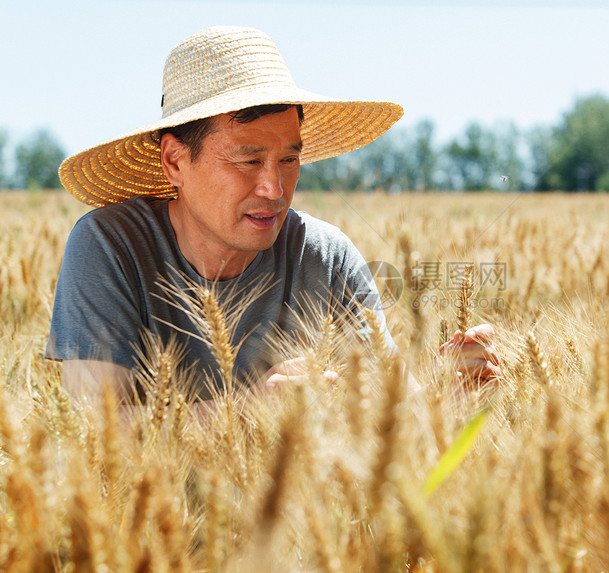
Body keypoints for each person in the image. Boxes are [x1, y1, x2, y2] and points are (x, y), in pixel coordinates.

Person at [46, 26, 500, 404]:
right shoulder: (108, 246)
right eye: (248, 160)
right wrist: (248, 412)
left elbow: (392, 412)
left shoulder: (325, 255)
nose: (274, 188)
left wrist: (448, 390)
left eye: (289, 159)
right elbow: (99, 434)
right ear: (175, 162)